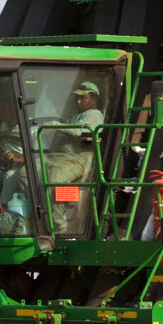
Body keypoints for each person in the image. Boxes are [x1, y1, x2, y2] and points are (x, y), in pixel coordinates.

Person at [43, 81, 104, 232]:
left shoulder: (94, 114)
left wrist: (56, 125)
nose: (78, 102)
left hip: (76, 158)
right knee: (25, 173)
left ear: (94, 99)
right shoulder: (75, 117)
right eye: (77, 98)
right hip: (58, 157)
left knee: (54, 180)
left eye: (83, 98)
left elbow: (81, 131)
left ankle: (58, 226)